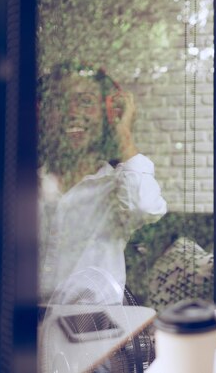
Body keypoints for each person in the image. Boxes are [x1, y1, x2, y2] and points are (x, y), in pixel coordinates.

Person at [37, 61, 167, 305]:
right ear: (44, 114)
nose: (72, 112)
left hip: (94, 333)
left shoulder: (117, 187)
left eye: (85, 101)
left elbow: (145, 208)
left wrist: (124, 135)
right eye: (59, 103)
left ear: (107, 114)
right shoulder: (26, 186)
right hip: (25, 333)